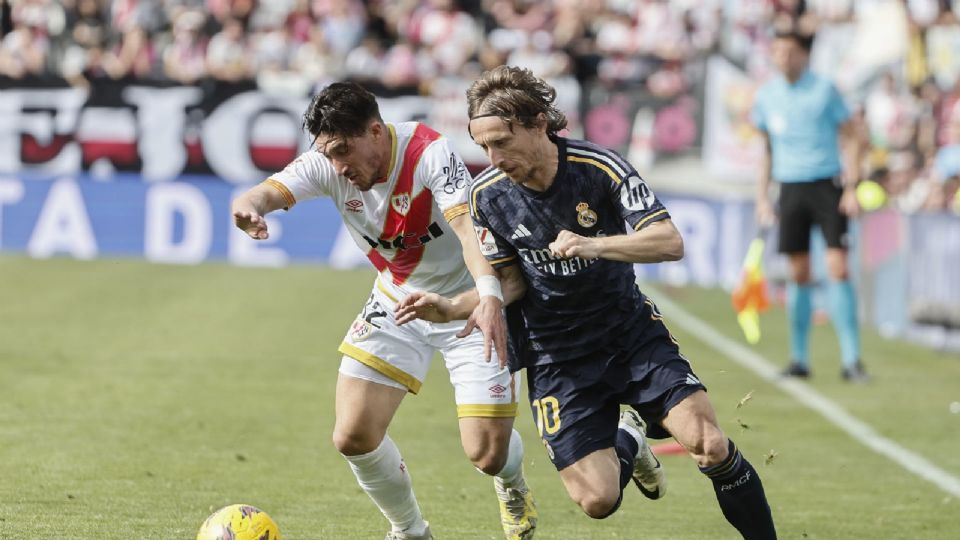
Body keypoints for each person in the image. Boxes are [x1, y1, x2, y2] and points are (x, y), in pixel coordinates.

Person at [396, 65, 777, 539]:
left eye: (502, 142)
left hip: (629, 335)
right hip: (557, 356)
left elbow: (669, 241)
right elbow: (509, 283)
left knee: (710, 445)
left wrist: (591, 244)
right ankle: (630, 438)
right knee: (597, 501)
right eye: (484, 146)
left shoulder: (599, 168)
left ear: (538, 123)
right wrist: (453, 307)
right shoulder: (487, 197)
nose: (493, 157)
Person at [232, 82, 537, 540]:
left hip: (467, 301)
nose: (337, 166)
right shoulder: (327, 162)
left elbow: (469, 235)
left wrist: (490, 297)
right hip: (399, 300)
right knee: (351, 435)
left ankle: (512, 485)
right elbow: (264, 193)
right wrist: (247, 207)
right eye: (327, 153)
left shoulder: (431, 153)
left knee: (486, 455)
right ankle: (410, 531)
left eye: (342, 151)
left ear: (375, 131)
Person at [752, 28, 867, 382]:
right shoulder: (767, 96)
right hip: (790, 188)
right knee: (799, 273)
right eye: (778, 51)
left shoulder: (824, 89)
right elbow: (766, 150)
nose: (783, 58)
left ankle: (852, 360)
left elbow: (853, 137)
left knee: (838, 268)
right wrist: (762, 196)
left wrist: (851, 186)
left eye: (789, 51)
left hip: (827, 185)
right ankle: (799, 358)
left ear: (803, 55)